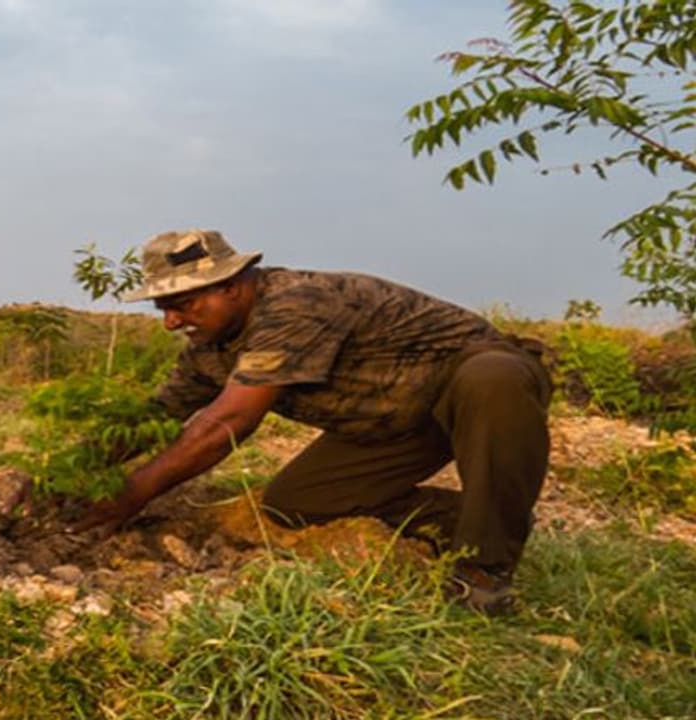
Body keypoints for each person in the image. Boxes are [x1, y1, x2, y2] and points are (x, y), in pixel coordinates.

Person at [70, 229, 552, 614]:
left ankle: (485, 571)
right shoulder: (208, 350)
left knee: (494, 378)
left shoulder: (296, 302)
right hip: (394, 425)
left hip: (467, 388)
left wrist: (132, 494)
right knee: (296, 501)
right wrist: (74, 468)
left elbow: (228, 421)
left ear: (233, 287)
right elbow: (157, 416)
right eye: (164, 309)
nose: (172, 322)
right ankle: (480, 517)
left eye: (183, 305)